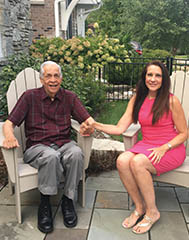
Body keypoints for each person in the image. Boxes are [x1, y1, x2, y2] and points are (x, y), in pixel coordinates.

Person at [80, 60, 188, 234]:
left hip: (170, 148)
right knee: (122, 160)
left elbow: (184, 133)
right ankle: (139, 207)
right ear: (144, 77)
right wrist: (94, 125)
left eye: (157, 75)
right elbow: (119, 128)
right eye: (149, 74)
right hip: (147, 145)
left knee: (137, 162)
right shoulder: (137, 99)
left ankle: (153, 212)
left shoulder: (171, 101)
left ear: (164, 79)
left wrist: (165, 147)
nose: (153, 79)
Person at [2, 61, 94, 233]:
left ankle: (68, 200)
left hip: (63, 144)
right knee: (51, 156)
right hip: (37, 147)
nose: (53, 80)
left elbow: (87, 120)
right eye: (48, 76)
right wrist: (8, 136)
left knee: (76, 153)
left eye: (56, 75)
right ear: (41, 79)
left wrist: (88, 126)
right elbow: (9, 123)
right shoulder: (29, 97)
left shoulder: (70, 97)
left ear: (61, 78)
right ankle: (45, 204)